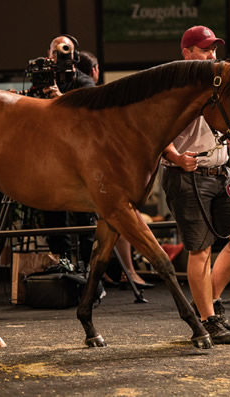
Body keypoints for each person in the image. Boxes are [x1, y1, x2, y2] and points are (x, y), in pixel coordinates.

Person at [161, 25, 230, 344]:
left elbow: (224, 128)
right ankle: (206, 319)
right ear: (187, 53)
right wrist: (175, 158)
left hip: (219, 172)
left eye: (213, 49)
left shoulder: (219, 85)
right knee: (199, 250)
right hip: (188, 174)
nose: (211, 54)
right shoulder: (173, 86)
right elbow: (155, 133)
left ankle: (208, 303)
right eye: (204, 49)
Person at [76, 49, 153, 289]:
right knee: (121, 214)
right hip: (98, 170)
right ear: (95, 70)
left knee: (115, 218)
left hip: (92, 168)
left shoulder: (81, 91)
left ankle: (121, 271)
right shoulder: (91, 91)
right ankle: (125, 271)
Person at [37, 35, 96, 266]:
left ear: (75, 55)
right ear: (48, 54)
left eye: (65, 50)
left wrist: (61, 100)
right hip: (50, 158)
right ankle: (61, 261)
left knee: (83, 215)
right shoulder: (42, 80)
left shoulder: (83, 81)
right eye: (56, 51)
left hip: (78, 159)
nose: (60, 55)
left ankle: (88, 265)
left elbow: (91, 111)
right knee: (52, 213)